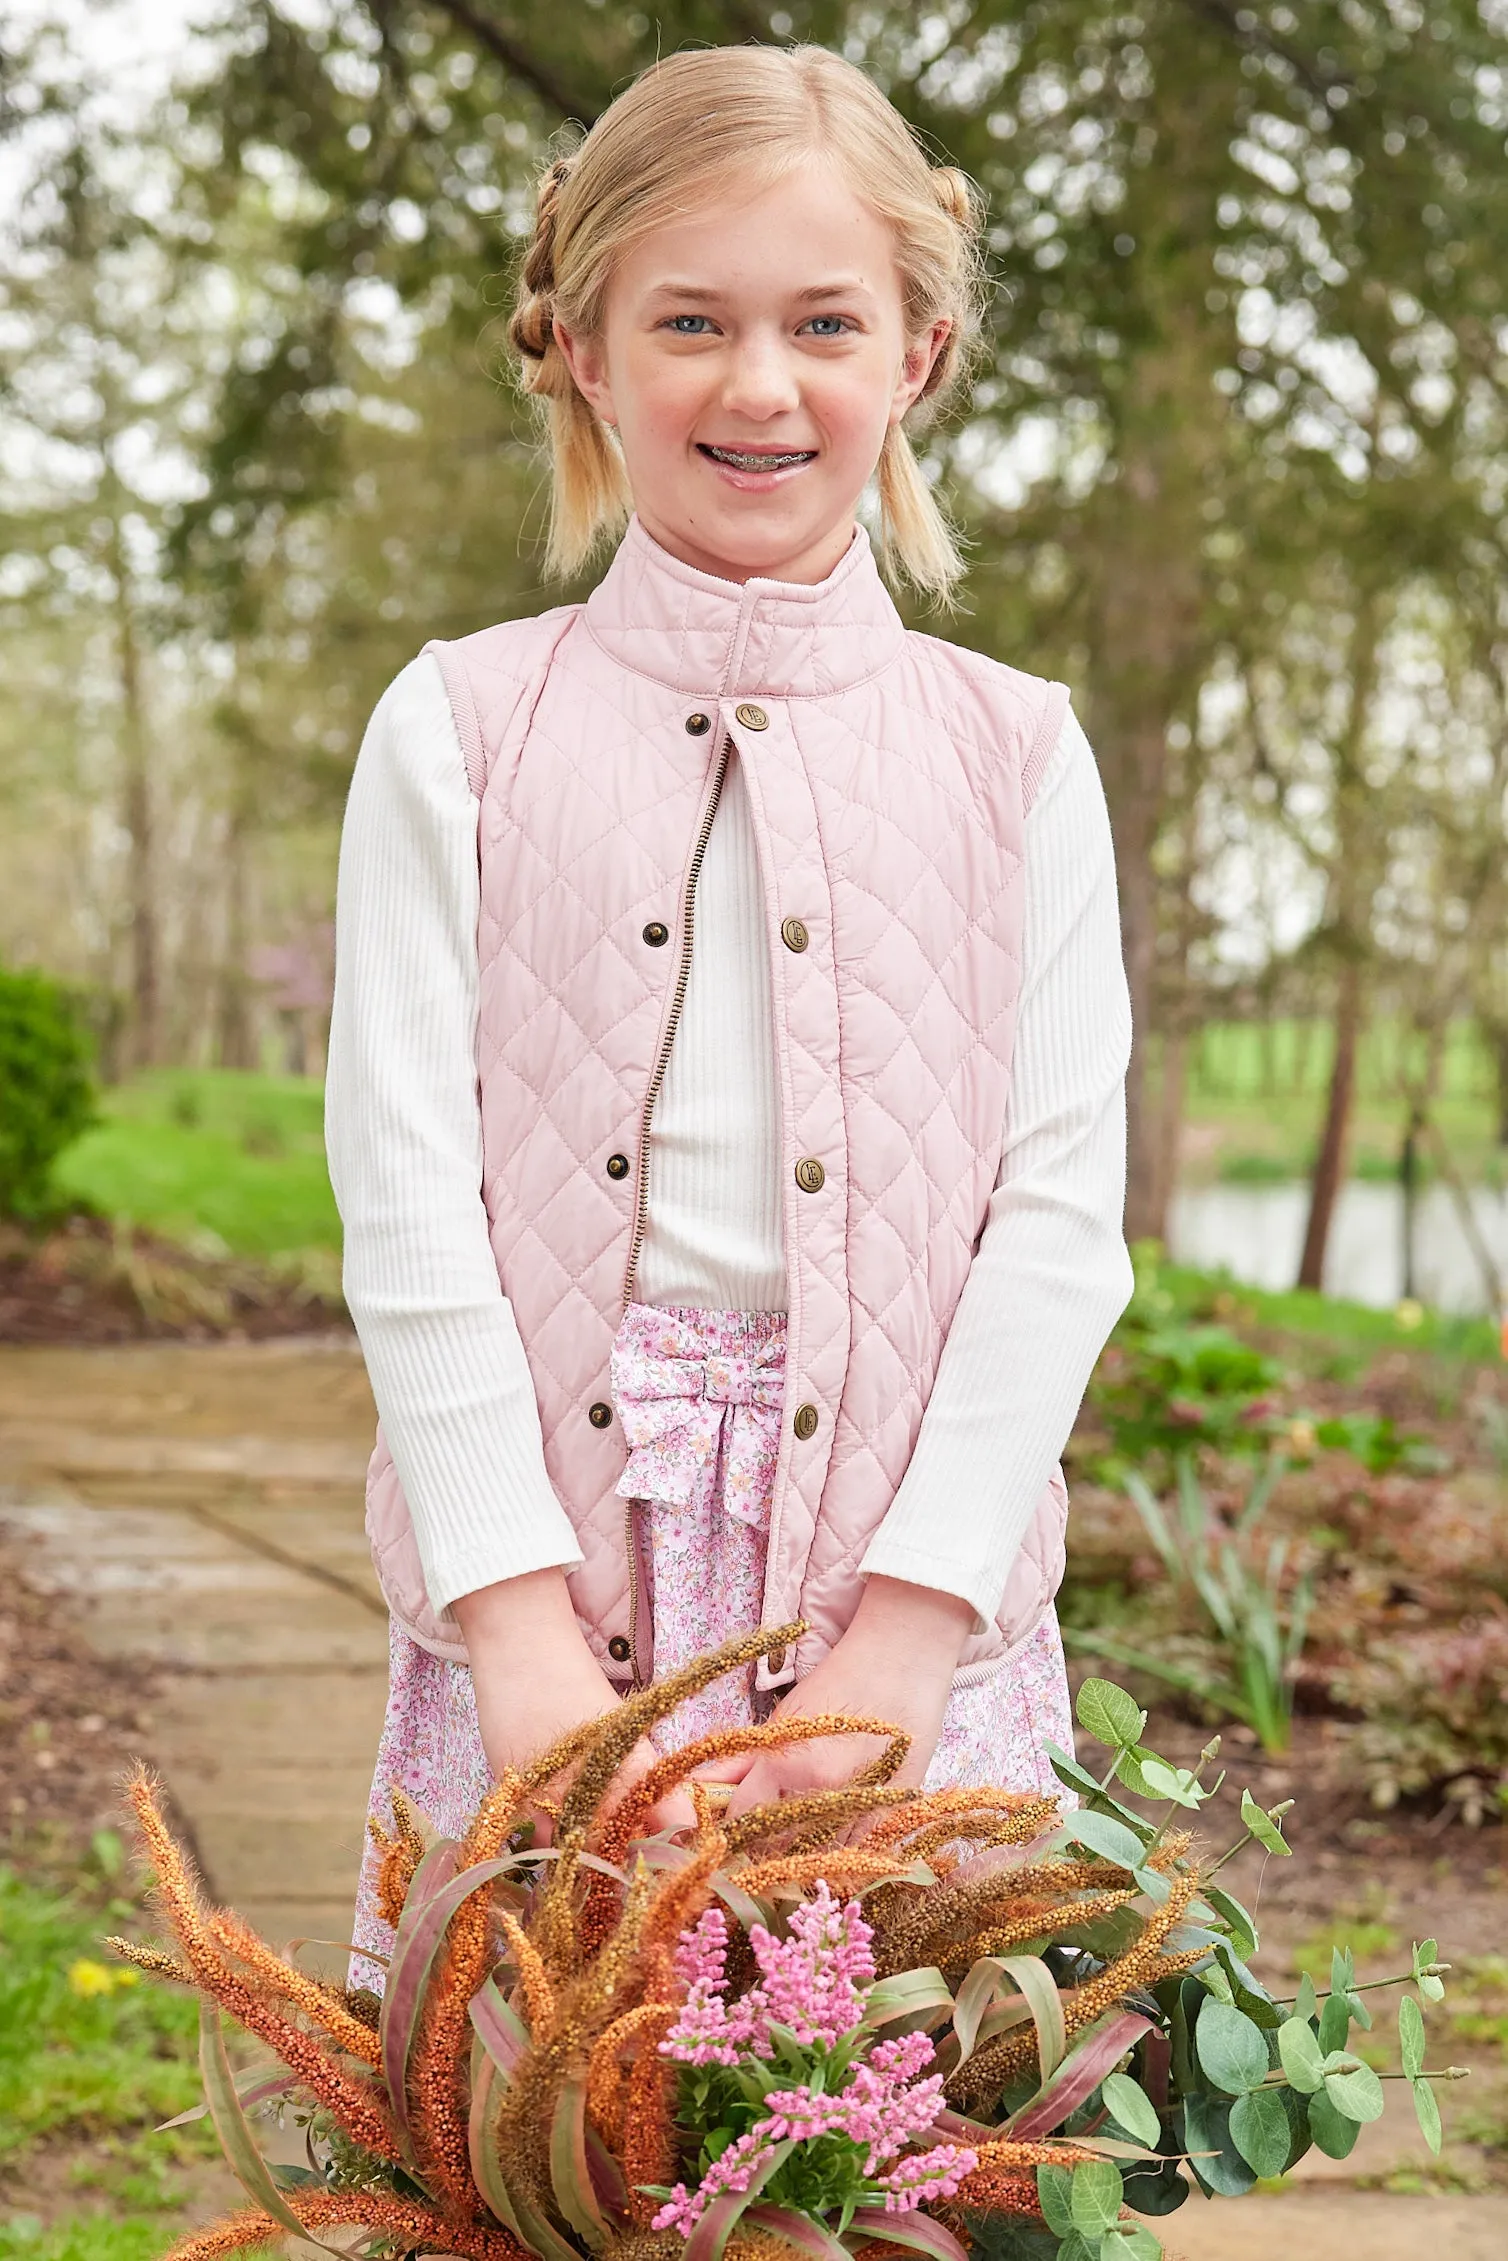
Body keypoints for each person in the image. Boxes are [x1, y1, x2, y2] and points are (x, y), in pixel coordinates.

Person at [326, 42, 1133, 1973]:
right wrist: (518, 1639)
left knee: (903, 2146)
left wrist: (912, 1627)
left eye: (823, 324)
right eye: (690, 319)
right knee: (536, 2138)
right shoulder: (461, 733)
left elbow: (1057, 1222)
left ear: (915, 357)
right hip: (551, 1583)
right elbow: (413, 1203)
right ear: (584, 349)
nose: (759, 384)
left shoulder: (1015, 756)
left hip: (895, 1611)